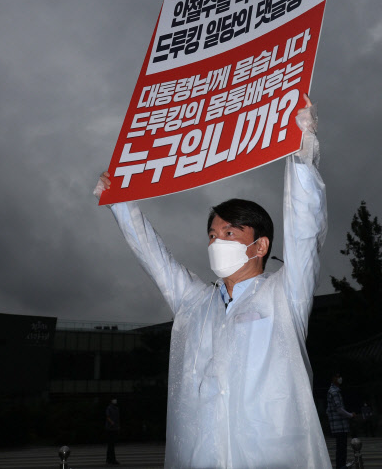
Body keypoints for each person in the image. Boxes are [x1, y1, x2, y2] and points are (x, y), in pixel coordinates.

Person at [94, 94, 331, 469]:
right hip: (201, 457)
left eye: (229, 233)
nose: (216, 242)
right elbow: (154, 257)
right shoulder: (194, 304)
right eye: (212, 234)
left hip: (270, 456)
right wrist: (121, 203)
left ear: (259, 245)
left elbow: (305, 231)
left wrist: (302, 153)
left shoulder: (284, 295)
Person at [326, 373, 355, 469]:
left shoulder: (335, 391)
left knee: (341, 447)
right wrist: (350, 415)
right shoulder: (334, 392)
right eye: (338, 377)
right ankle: (341, 466)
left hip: (339, 424)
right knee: (341, 448)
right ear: (333, 378)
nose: (340, 379)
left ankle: (341, 465)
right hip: (339, 425)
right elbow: (339, 409)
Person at [105, 398, 120, 466]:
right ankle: (112, 459)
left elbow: (117, 418)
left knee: (111, 445)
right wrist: (112, 422)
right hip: (110, 428)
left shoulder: (116, 408)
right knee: (111, 445)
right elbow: (107, 416)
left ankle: (109, 459)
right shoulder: (109, 408)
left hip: (114, 428)